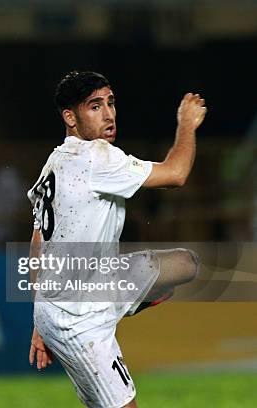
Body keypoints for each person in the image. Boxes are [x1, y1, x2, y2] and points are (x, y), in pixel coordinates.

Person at [26, 71, 206, 408]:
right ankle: (124, 305)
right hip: (78, 320)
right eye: (95, 106)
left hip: (80, 293)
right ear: (71, 118)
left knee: (185, 263)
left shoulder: (55, 162)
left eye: (110, 102)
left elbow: (38, 240)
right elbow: (176, 173)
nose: (108, 114)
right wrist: (186, 125)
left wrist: (39, 317)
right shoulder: (97, 156)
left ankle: (130, 302)